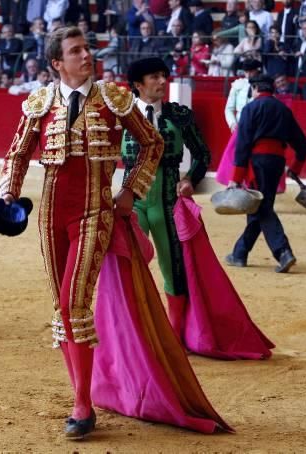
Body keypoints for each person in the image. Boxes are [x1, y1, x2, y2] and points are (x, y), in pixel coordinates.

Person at [0, 26, 163, 439]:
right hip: (50, 215)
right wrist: (6, 195)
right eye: (76, 51)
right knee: (61, 306)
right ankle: (80, 393)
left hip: (94, 212)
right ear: (57, 62)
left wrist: (130, 192)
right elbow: (17, 151)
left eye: (87, 49)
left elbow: (152, 144)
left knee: (75, 303)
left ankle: (82, 405)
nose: (86, 55)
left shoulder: (113, 97)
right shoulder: (40, 102)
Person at [121, 57, 210, 341]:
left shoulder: (178, 115)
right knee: (130, 268)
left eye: (163, 75)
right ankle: (135, 334)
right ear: (138, 85)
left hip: (168, 204)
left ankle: (175, 336)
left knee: (174, 270)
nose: (162, 81)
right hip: (131, 205)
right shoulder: (120, 115)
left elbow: (203, 154)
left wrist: (189, 179)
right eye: (154, 77)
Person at [224, 75, 306, 273]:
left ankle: (283, 252)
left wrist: (235, 178)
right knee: (261, 206)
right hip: (277, 162)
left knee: (262, 209)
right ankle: (240, 253)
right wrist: (295, 168)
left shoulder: (250, 108)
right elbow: (302, 144)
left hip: (258, 162)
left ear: (254, 88)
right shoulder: (284, 110)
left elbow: (242, 145)